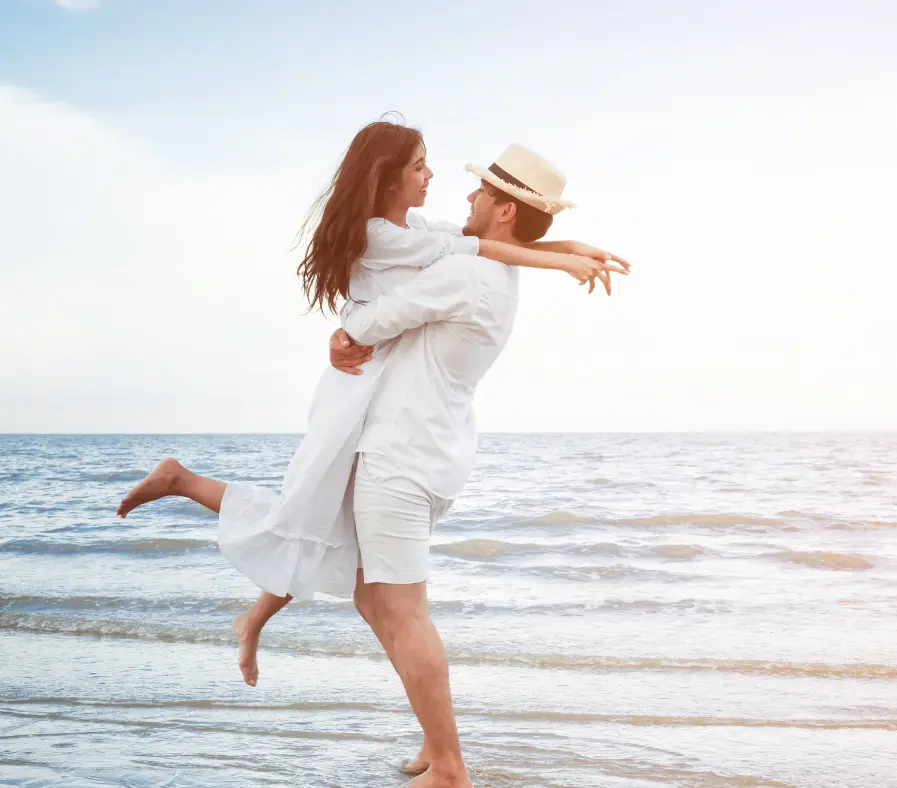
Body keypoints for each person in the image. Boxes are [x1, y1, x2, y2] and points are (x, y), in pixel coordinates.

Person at [116, 122, 627, 787]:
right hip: (420, 451)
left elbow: (377, 319)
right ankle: (432, 743)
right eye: (433, 170)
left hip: (401, 458)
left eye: (482, 189)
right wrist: (563, 250)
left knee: (396, 607)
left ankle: (448, 767)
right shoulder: (486, 270)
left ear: (504, 207)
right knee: (364, 589)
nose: (463, 193)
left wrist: (343, 333)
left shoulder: (472, 276)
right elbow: (472, 245)